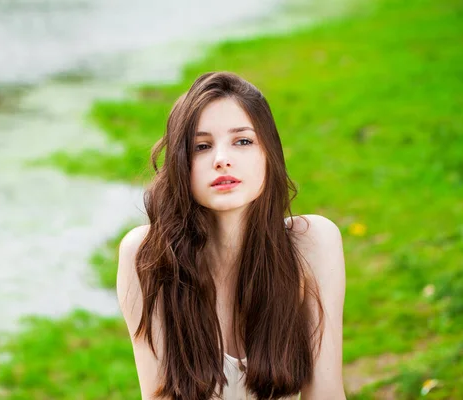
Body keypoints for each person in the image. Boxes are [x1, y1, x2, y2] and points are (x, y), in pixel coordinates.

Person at [116, 71, 346, 400]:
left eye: (243, 141)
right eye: (201, 146)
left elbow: (325, 393)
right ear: (181, 164)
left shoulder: (312, 243)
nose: (222, 160)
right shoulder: (147, 255)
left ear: (269, 155)